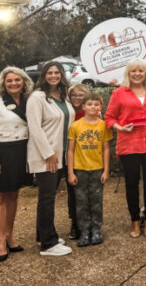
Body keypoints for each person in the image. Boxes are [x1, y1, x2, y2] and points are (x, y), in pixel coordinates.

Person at [105, 59, 146, 238]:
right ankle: (135, 221)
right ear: (128, 74)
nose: (137, 74)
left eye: (141, 70)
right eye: (133, 71)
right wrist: (120, 128)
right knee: (131, 184)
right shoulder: (119, 93)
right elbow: (109, 118)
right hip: (129, 144)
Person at [26, 61, 75, 256]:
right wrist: (48, 154)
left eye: (57, 72)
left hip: (60, 155)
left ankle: (43, 235)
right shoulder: (37, 97)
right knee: (46, 198)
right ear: (43, 75)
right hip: (46, 156)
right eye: (49, 72)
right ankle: (48, 244)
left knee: (49, 197)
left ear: (62, 75)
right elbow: (35, 128)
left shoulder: (63, 96)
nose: (53, 75)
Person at [66, 92, 112, 247]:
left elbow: (106, 148)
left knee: (96, 201)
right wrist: (70, 172)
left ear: (100, 106)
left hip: (97, 169)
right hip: (80, 170)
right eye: (89, 104)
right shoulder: (75, 126)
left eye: (96, 104)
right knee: (81, 202)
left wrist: (106, 170)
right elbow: (70, 150)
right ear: (83, 106)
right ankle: (84, 231)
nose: (93, 107)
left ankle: (96, 230)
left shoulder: (103, 125)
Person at [0, 67, 33, 261]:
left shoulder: (29, 101)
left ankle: (10, 235)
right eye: (9, 81)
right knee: (2, 196)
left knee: (13, 194)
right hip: (3, 151)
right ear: (4, 83)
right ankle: (0, 240)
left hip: (22, 150)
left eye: (17, 80)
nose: (13, 83)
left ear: (24, 82)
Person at [65, 83, 90, 238]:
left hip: (87, 157)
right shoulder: (67, 112)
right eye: (73, 95)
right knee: (73, 193)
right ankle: (75, 223)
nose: (76, 98)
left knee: (88, 192)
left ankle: (88, 223)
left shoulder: (91, 112)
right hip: (71, 156)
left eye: (80, 95)